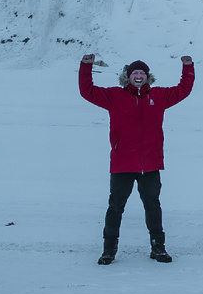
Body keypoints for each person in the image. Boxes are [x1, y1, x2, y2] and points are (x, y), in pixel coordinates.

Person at [79, 53, 195, 265]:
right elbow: (87, 91)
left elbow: (183, 90)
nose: (138, 75)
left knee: (153, 206)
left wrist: (187, 67)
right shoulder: (115, 96)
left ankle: (158, 248)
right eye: (135, 72)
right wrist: (86, 66)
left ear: (148, 76)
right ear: (128, 76)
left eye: (142, 72)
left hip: (150, 164)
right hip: (122, 163)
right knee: (115, 207)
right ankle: (109, 250)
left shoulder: (159, 96)